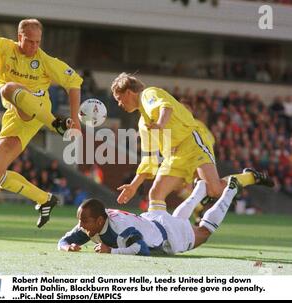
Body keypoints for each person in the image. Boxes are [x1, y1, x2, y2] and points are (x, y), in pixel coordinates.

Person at [0, 19, 83, 227]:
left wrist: (76, 122)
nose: (34, 46)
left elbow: (74, 82)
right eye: (29, 41)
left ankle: (57, 124)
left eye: (38, 42)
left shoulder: (44, 60)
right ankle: (45, 199)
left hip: (40, 109)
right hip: (15, 116)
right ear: (19, 37)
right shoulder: (5, 47)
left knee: (7, 88)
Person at [110, 72, 273, 218]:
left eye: (119, 99)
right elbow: (150, 160)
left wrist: (160, 124)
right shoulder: (142, 123)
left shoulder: (148, 93)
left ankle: (250, 176)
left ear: (129, 92)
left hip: (192, 142)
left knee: (215, 190)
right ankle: (160, 235)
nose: (119, 104)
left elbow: (166, 108)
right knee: (156, 193)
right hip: (175, 156)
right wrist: (133, 186)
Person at [58, 177, 239, 256]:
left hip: (166, 235)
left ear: (99, 220)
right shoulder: (92, 223)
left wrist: (111, 251)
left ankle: (230, 191)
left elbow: (141, 249)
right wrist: (69, 247)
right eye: (80, 220)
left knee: (204, 232)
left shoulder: (120, 228)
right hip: (152, 219)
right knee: (180, 221)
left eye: (84, 221)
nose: (81, 225)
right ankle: (199, 188)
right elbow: (63, 241)